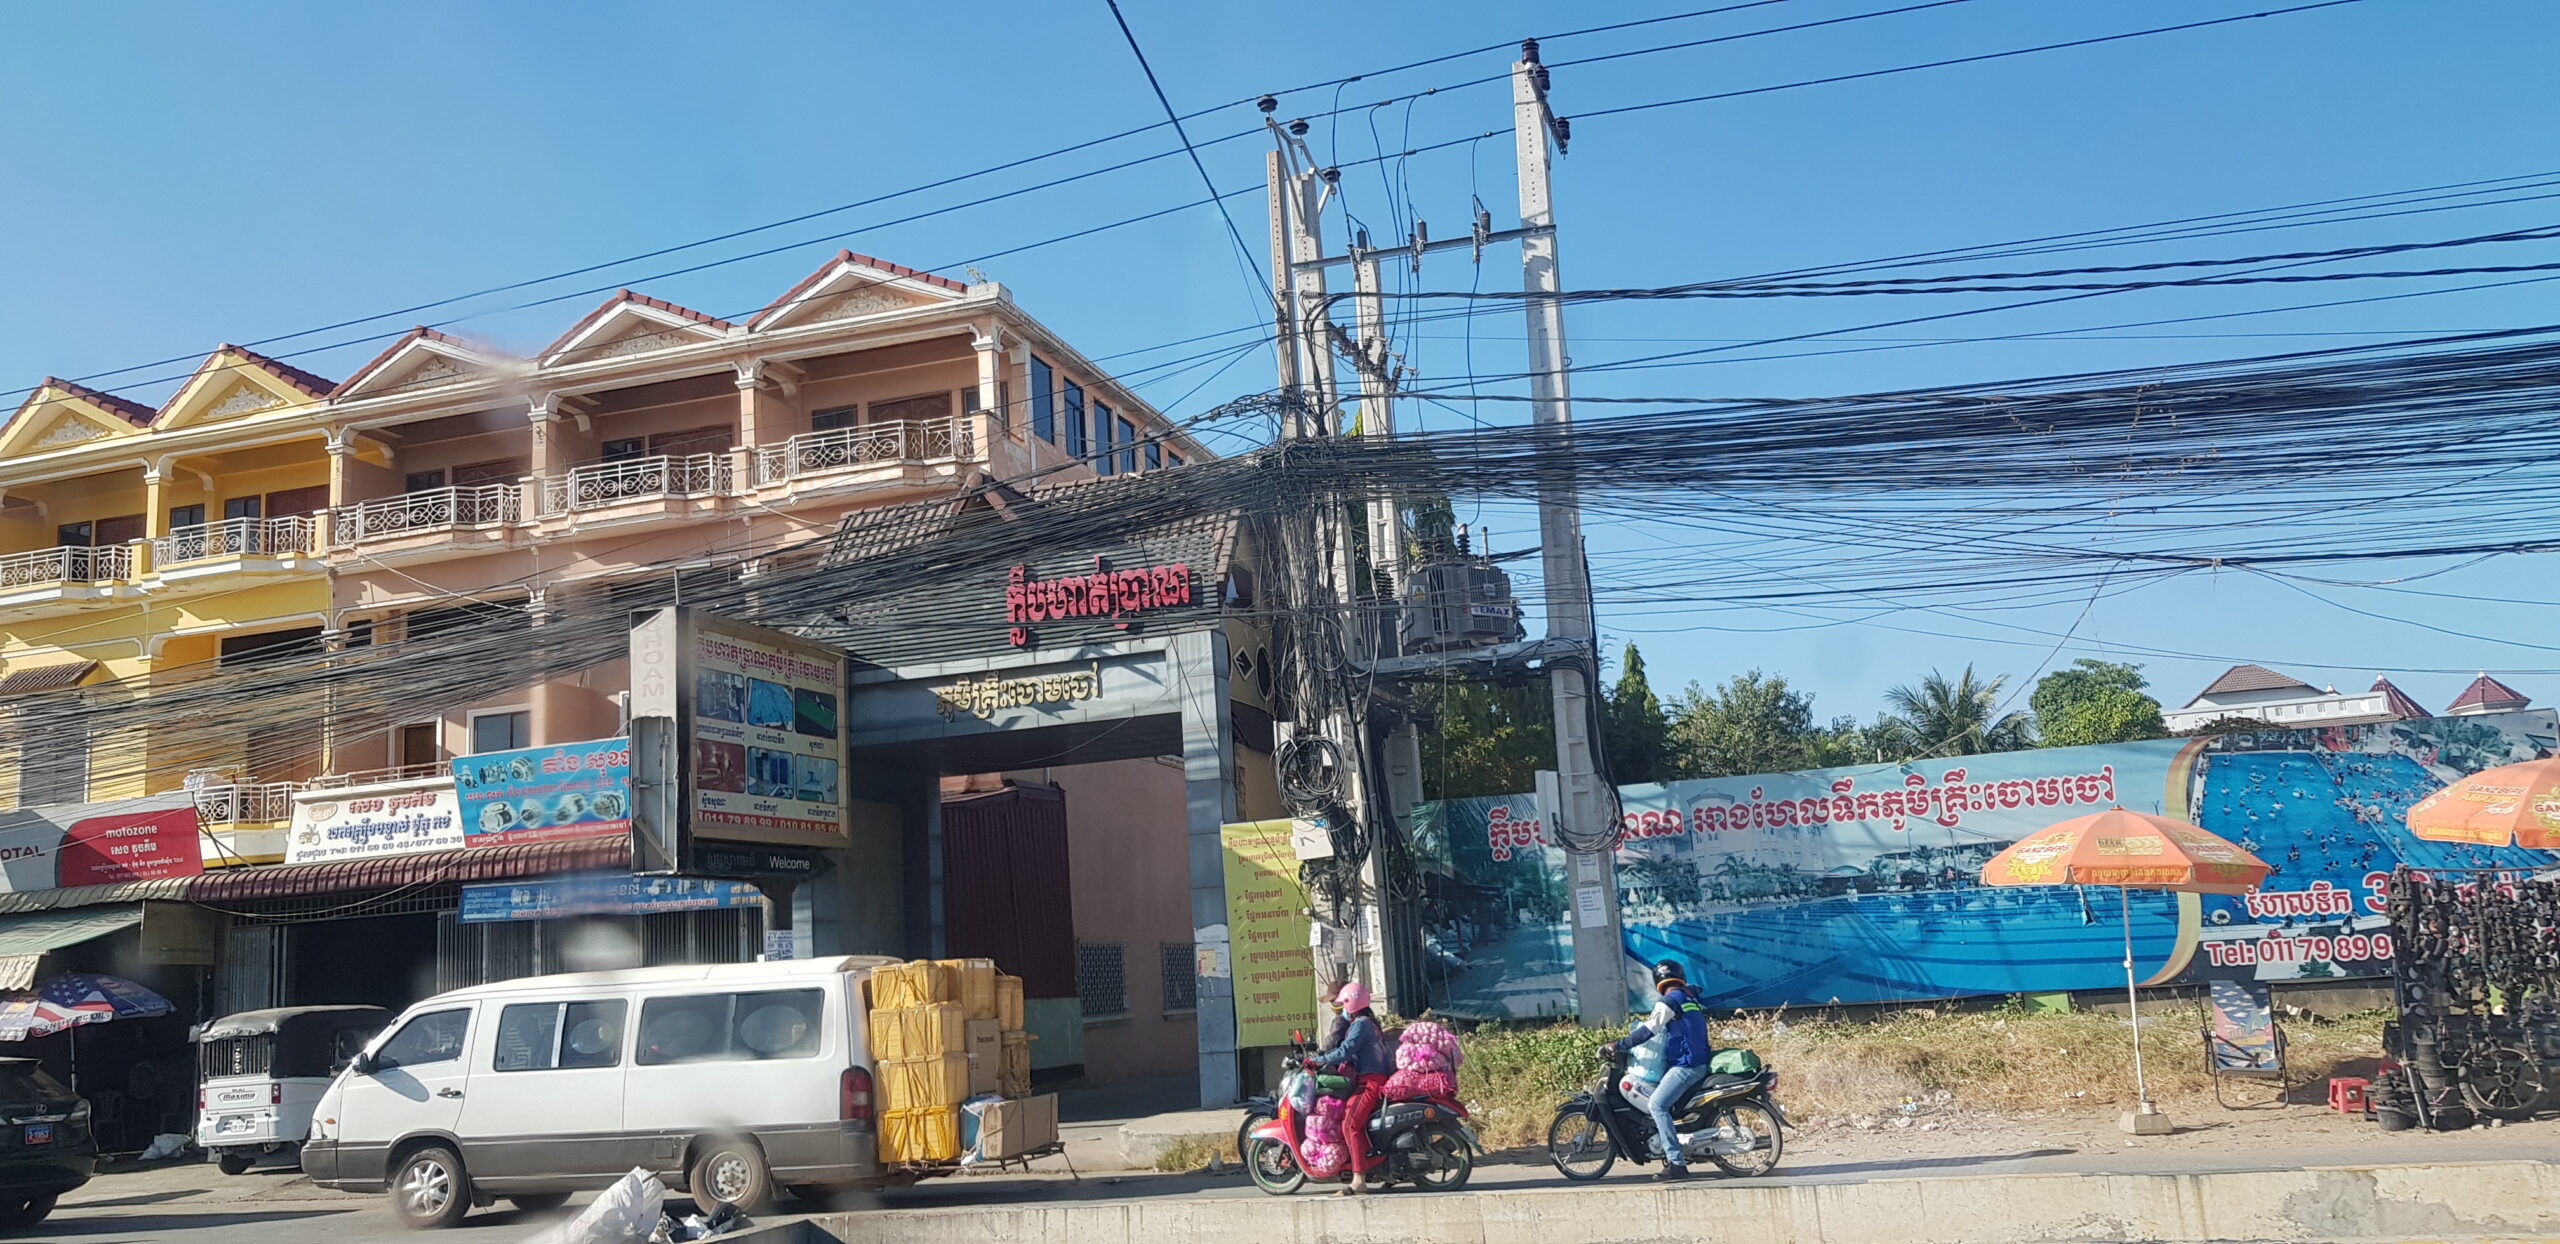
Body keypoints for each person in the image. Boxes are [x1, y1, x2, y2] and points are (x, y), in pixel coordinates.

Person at [1605, 958, 1712, 1182]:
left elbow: (1648, 1031)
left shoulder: (1668, 1001)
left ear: (1658, 981)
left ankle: (1676, 1164)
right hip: (1698, 1061)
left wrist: (1619, 1044)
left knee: (1656, 1104)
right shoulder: (1689, 997)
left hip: (1687, 1066)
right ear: (1680, 976)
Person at [1303, 979, 1395, 1194]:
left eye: (1343, 1003)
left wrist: (1319, 1060)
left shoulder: (1361, 1024)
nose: (1341, 1008)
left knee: (1350, 1125)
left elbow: (1345, 1049)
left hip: (1372, 1082)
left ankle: (1359, 1180)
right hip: (1370, 1079)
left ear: (1351, 1004)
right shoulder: (1367, 1022)